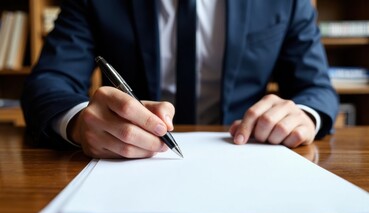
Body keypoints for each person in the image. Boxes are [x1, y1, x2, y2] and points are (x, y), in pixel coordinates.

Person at [21, 0, 339, 159]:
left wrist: (304, 115)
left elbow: (316, 88)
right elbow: (50, 80)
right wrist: (78, 122)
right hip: (130, 164)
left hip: (245, 156)